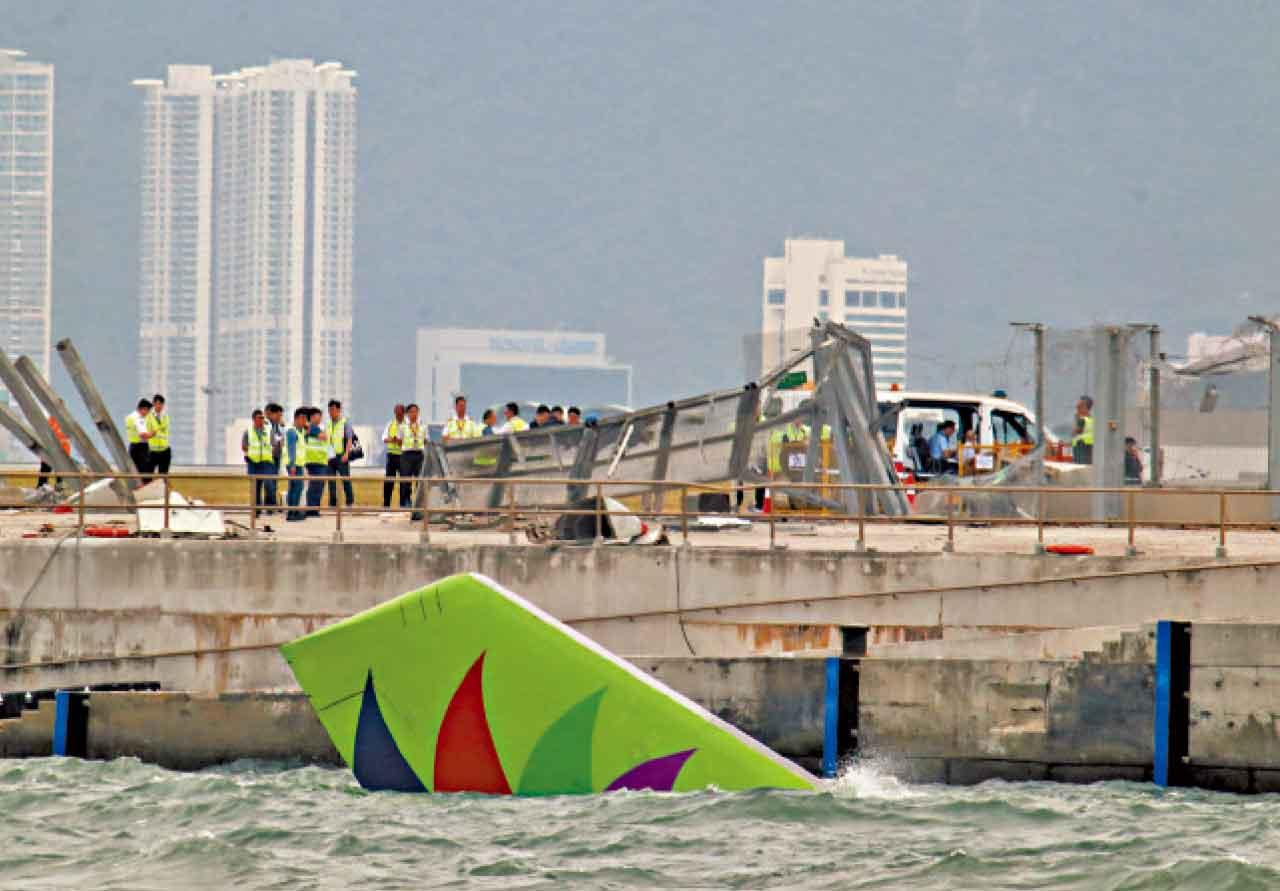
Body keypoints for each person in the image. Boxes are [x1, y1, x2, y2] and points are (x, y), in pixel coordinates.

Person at [242, 409, 276, 508]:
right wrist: (252, 451)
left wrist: (270, 451)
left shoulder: (269, 430)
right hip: (253, 463)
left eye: (262, 418)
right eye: (259, 418)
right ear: (254, 419)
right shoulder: (248, 432)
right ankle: (256, 510)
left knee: (269, 484)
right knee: (255, 488)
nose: (261, 420)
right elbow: (244, 446)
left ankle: (270, 506)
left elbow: (273, 444)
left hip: (267, 463)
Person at [325, 399, 355, 508]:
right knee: (331, 482)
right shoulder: (327, 424)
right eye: (329, 410)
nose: (331, 412)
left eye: (333, 410)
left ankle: (350, 502)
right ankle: (333, 504)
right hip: (330, 457)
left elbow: (349, 439)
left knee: (345, 479)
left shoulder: (344, 423)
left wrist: (346, 454)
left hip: (341, 455)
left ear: (339, 410)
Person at [398, 403, 426, 508]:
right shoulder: (403, 426)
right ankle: (406, 501)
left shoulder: (423, 426)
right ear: (407, 414)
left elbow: (425, 440)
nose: (414, 414)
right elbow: (399, 441)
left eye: (416, 412)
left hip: (419, 455)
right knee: (406, 480)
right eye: (411, 412)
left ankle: (419, 503)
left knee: (420, 480)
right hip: (407, 455)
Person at [285, 408, 309, 521]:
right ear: (298, 418)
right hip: (294, 465)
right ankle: (292, 513)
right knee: (296, 488)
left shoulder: (299, 432)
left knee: (295, 488)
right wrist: (293, 464)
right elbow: (291, 449)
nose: (305, 422)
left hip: (298, 464)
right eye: (304, 419)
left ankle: (292, 512)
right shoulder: (292, 431)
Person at [35, 415, 71, 489]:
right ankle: (42, 488)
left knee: (59, 475)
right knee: (45, 472)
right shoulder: (51, 420)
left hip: (61, 451)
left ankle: (58, 489)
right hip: (50, 450)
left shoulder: (64, 420)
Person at [305, 407, 328, 518]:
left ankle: (314, 509)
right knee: (315, 486)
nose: (321, 418)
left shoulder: (316, 427)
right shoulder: (311, 427)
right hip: (314, 461)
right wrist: (323, 433)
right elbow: (324, 437)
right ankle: (312, 510)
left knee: (317, 486)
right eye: (319, 416)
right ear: (313, 417)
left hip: (319, 461)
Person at [382, 403, 405, 509]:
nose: (398, 415)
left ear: (403, 413)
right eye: (396, 413)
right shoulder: (390, 424)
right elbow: (384, 438)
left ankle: (403, 505)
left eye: (400, 413)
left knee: (404, 482)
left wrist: (400, 441)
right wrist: (393, 439)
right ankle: (386, 504)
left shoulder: (407, 425)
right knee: (389, 482)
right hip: (391, 456)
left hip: (403, 456)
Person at [125, 398, 153, 483]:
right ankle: (146, 490)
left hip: (133, 447)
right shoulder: (138, 419)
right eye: (147, 411)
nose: (148, 413)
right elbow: (143, 435)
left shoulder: (130, 417)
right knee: (145, 472)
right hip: (141, 448)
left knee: (135, 470)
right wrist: (154, 433)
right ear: (143, 409)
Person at [265, 402, 285, 512]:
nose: (279, 417)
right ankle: (272, 505)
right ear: (270, 414)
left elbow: (281, 439)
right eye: (278, 415)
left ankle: (270, 507)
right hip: (268, 458)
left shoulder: (278, 426)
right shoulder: (265, 425)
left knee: (274, 482)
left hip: (277, 457)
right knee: (269, 482)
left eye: (281, 415)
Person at [147, 394, 172, 476]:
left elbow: (164, 430)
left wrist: (156, 431)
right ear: (153, 404)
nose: (159, 406)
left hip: (164, 450)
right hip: (152, 451)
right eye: (157, 403)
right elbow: (148, 431)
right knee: (148, 476)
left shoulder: (166, 416)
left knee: (163, 477)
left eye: (161, 404)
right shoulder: (149, 417)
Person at [1072, 396, 1095, 465]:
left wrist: (1076, 419)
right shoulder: (1091, 419)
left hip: (1081, 446)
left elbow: (1075, 433)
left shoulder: (1082, 420)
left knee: (1080, 467)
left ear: (1085, 407)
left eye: (1079, 406)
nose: (1077, 408)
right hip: (1089, 447)